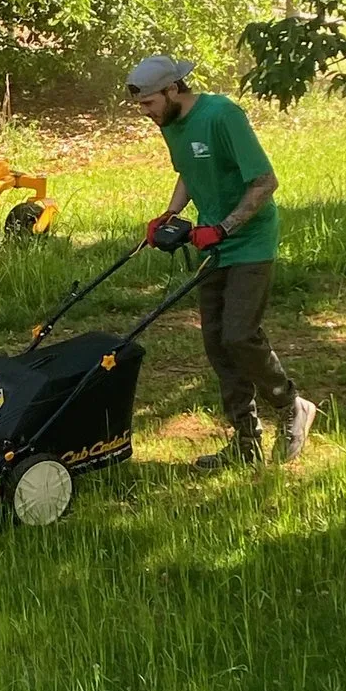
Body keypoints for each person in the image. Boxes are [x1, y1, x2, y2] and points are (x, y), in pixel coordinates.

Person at [126, 54, 316, 470]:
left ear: (173, 89)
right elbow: (188, 172)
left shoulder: (222, 115)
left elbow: (265, 181)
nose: (145, 112)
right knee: (216, 343)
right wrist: (170, 214)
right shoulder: (169, 122)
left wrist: (225, 227)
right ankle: (246, 441)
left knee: (239, 335)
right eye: (140, 105)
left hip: (250, 242)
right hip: (213, 244)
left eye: (148, 103)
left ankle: (291, 406)